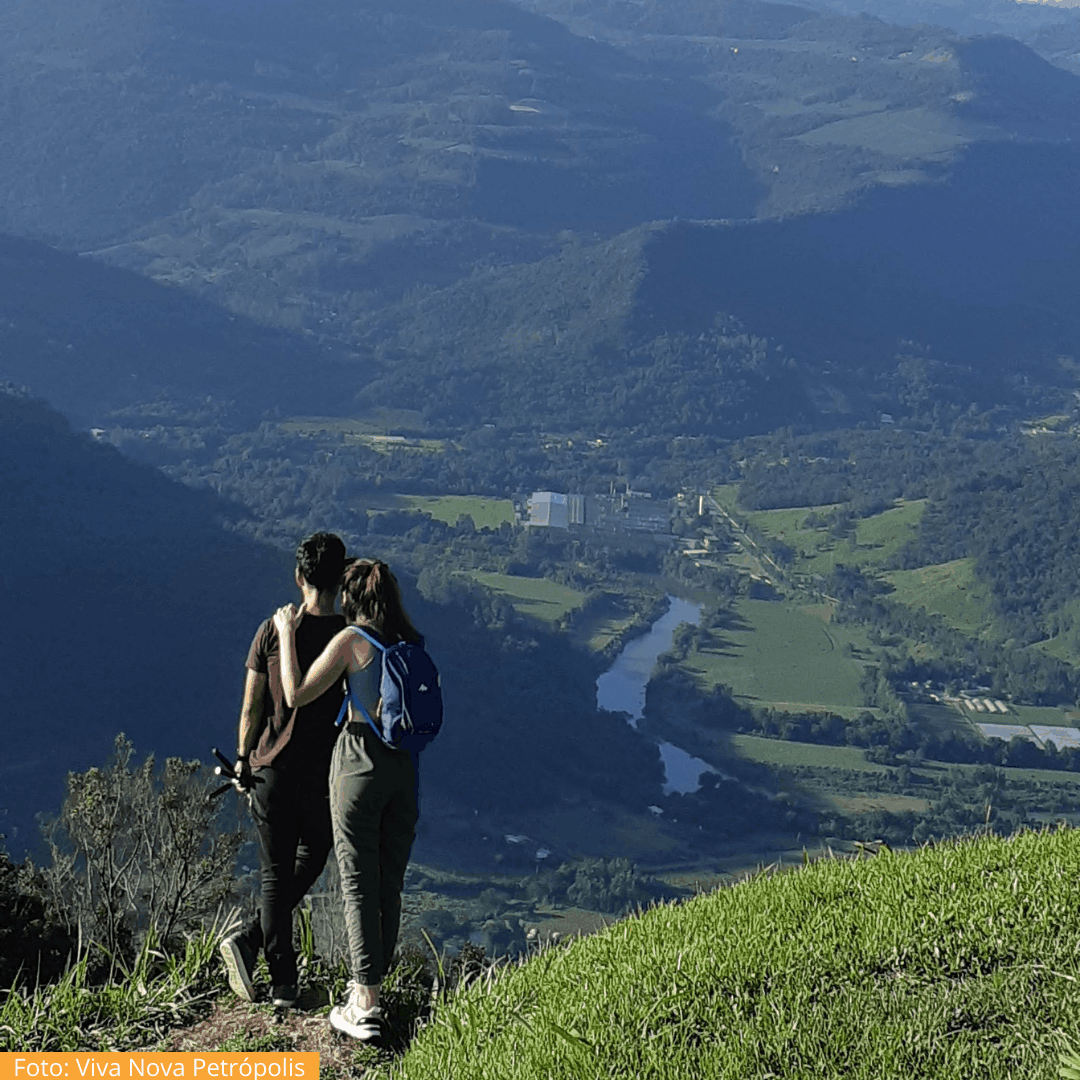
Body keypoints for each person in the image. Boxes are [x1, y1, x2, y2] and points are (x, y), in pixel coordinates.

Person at [275, 558, 423, 1042]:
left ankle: (365, 1000)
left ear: (351, 599)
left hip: (359, 762)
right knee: (389, 883)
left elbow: (296, 693)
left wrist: (284, 633)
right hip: (405, 769)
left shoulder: (351, 641)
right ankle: (376, 986)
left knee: (357, 882)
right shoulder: (411, 644)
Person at [220, 532, 347, 1008]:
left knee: (276, 873)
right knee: (312, 857)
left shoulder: (272, 630)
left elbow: (251, 706)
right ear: (339, 579)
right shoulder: (348, 638)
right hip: (321, 775)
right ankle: (280, 981)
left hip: (269, 770)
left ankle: (262, 954)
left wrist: (240, 757)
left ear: (299, 578)